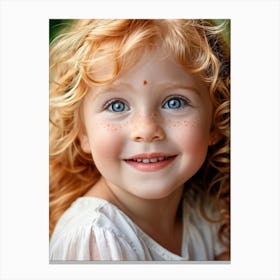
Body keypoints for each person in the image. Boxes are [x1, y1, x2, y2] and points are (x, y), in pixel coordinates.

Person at [49, 19, 230, 261]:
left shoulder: (207, 211)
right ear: (83, 133)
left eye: (174, 102)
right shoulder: (96, 237)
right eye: (117, 105)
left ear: (216, 119)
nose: (146, 129)